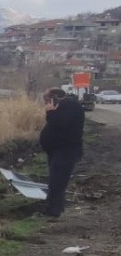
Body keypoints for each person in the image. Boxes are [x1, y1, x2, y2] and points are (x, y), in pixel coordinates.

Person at [38, 87, 85, 218]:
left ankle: (53, 211)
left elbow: (61, 124)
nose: (46, 102)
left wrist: (51, 113)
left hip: (66, 150)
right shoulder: (61, 108)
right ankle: (56, 206)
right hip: (56, 150)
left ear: (54, 98)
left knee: (57, 181)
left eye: (47, 99)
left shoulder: (70, 106)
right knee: (56, 179)